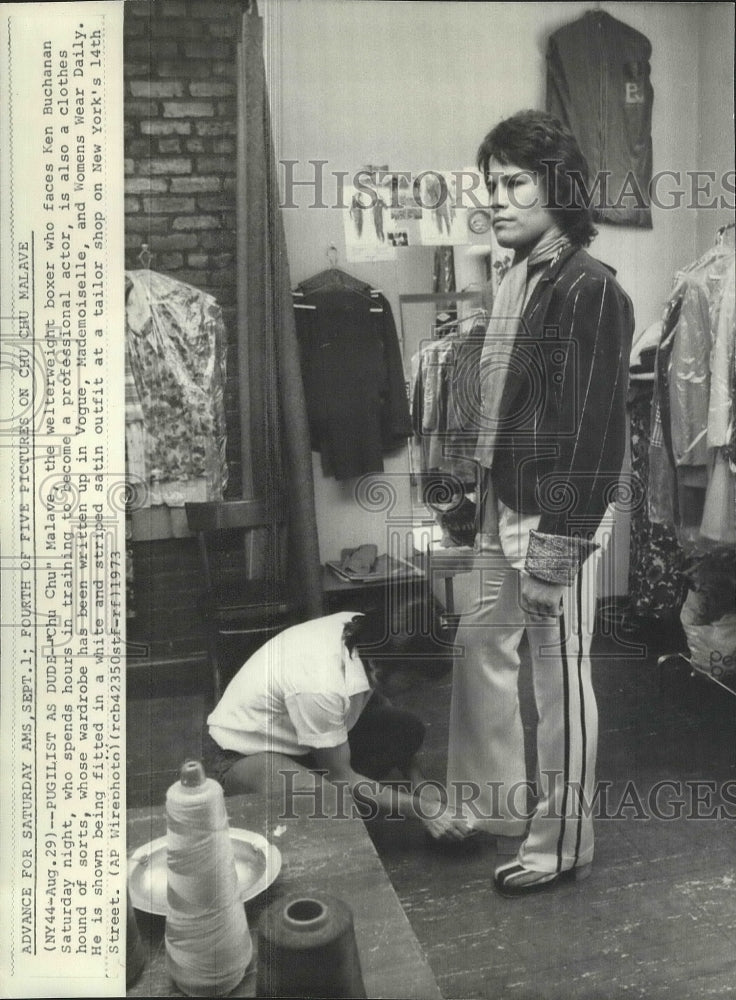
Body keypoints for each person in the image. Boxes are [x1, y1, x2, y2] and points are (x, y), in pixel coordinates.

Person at [446, 110, 635, 895]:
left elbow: (595, 436)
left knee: (560, 682)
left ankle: (563, 844)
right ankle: (490, 806)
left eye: (515, 181)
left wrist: (558, 550)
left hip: (554, 512)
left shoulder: (589, 287)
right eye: (491, 183)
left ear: (557, 187)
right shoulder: (521, 275)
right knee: (477, 647)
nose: (497, 197)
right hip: (503, 499)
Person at [205, 597, 474, 842]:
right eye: (413, 681)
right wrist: (423, 809)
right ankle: (303, 790)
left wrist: (420, 784)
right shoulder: (322, 684)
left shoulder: (364, 632)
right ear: (380, 670)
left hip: (303, 735)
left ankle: (323, 773)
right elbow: (342, 778)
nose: (415, 690)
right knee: (331, 804)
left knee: (408, 729)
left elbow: (379, 706)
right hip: (243, 756)